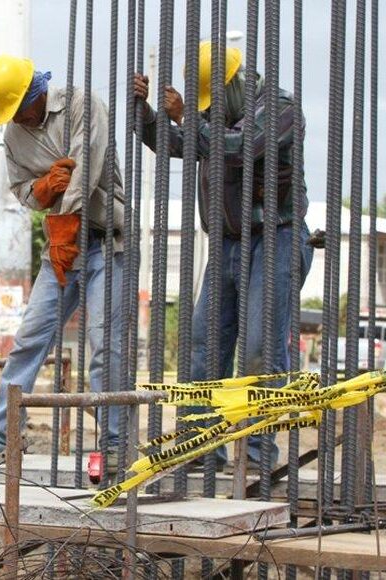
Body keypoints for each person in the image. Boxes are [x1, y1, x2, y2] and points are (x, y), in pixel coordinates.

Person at [134, 41, 313, 471]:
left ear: (235, 83)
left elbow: (239, 148)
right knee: (203, 345)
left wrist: (186, 117)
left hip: (277, 240)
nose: (209, 110)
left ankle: (256, 456)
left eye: (212, 101)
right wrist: (147, 116)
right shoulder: (216, 116)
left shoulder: (282, 108)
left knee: (259, 348)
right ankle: (200, 447)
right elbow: (176, 142)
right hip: (227, 244)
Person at [0, 55, 125, 473]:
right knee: (29, 340)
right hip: (59, 249)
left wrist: (64, 219)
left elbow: (84, 171)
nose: (15, 117)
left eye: (18, 108)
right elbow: (22, 191)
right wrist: (41, 189)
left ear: (34, 93)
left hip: (108, 243)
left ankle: (115, 445)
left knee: (103, 345)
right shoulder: (14, 136)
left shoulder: (82, 106)